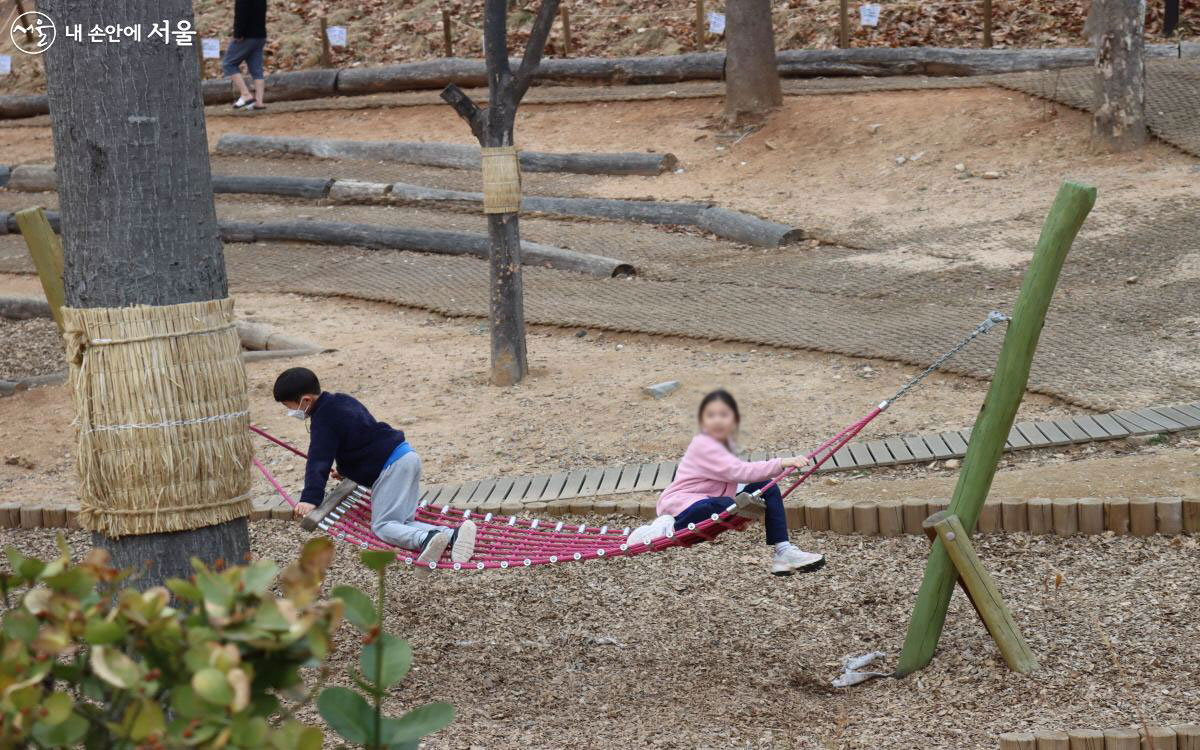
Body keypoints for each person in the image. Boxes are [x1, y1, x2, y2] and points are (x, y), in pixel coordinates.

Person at [275, 367, 475, 566]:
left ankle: (425, 539)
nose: (292, 412)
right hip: (406, 455)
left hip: (390, 467)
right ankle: (453, 535)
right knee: (401, 523)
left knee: (383, 526)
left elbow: (318, 459)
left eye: (290, 406)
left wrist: (310, 498)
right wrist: (345, 470)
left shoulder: (322, 420)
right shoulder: (343, 400)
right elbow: (360, 437)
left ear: (306, 400)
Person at [630, 389, 825, 576]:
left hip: (707, 501)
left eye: (724, 415)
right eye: (711, 416)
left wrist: (737, 517)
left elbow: (734, 481)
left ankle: (783, 551)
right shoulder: (703, 446)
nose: (718, 421)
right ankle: (664, 528)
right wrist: (781, 462)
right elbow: (738, 471)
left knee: (766, 486)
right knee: (727, 505)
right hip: (682, 504)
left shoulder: (723, 448)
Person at [223, 0, 268, 110]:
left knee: (228, 64)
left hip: (246, 36)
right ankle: (259, 102)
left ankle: (246, 94)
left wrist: (238, 34)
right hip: (260, 35)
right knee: (256, 69)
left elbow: (241, 15)